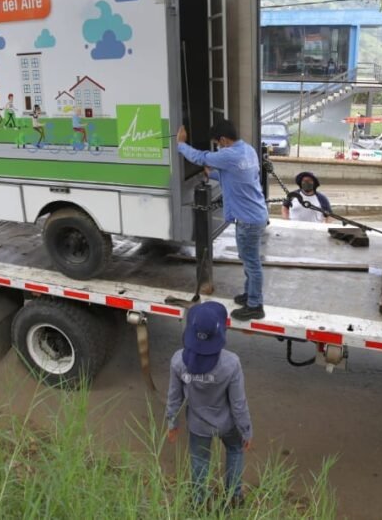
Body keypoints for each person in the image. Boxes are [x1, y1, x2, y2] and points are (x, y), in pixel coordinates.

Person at [176, 120, 268, 321]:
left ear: (224, 140)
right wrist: (215, 174)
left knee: (252, 263)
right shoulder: (248, 150)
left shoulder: (229, 154)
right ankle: (249, 295)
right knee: (248, 260)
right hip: (254, 215)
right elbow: (237, 175)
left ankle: (255, 306)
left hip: (248, 220)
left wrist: (181, 144)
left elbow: (200, 157)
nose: (218, 147)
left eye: (217, 143)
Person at [165, 301, 252, 508]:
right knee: (235, 450)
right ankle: (234, 496)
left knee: (200, 460)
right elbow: (238, 404)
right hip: (227, 424)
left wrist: (172, 422)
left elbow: (174, 396)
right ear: (221, 332)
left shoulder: (178, 360)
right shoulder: (231, 363)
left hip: (198, 425)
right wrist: (246, 430)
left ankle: (198, 501)